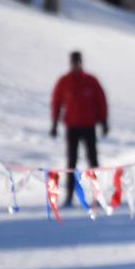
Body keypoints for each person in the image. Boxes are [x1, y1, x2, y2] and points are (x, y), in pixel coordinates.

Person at [50, 51, 108, 206]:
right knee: (71, 162)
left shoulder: (91, 81)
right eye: (74, 62)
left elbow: (101, 101)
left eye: (78, 62)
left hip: (89, 126)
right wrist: (54, 124)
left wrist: (104, 121)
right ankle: (69, 196)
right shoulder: (64, 82)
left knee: (93, 161)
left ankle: (97, 195)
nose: (76, 64)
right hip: (72, 127)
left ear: (81, 62)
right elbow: (57, 103)